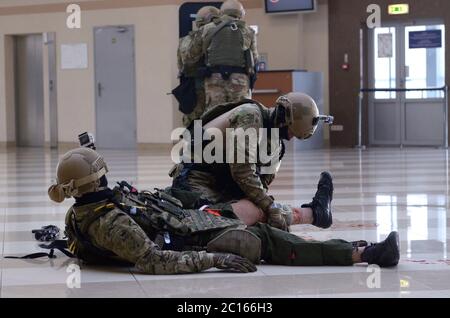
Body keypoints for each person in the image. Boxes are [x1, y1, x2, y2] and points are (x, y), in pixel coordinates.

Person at [48, 147, 400, 275]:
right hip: (195, 241)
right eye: (102, 174)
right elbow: (154, 261)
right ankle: (363, 254)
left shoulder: (88, 209)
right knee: (266, 240)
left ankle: (325, 225)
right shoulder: (110, 223)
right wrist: (213, 261)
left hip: (190, 222)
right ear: (94, 182)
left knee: (250, 212)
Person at [170, 92, 334, 232]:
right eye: (291, 131)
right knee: (222, 220)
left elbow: (260, 188)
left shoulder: (276, 145)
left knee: (255, 211)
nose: (290, 137)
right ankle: (313, 214)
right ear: (283, 118)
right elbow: (242, 171)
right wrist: (270, 208)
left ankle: (316, 213)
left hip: (222, 186)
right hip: (195, 181)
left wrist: (269, 209)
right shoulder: (250, 116)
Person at [185, 0, 258, 110]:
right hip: (240, 81)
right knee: (240, 116)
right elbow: (255, 59)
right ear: (241, 13)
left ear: (221, 12)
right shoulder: (249, 31)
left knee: (214, 117)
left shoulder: (207, 29)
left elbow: (191, 56)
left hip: (214, 80)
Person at [177, 6, 221, 127]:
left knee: (194, 126)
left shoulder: (187, 40)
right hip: (220, 91)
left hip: (196, 92)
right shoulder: (226, 38)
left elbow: (182, 66)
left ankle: (195, 145)